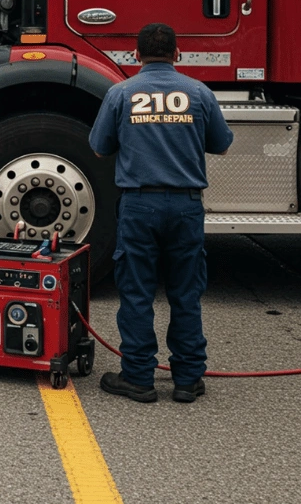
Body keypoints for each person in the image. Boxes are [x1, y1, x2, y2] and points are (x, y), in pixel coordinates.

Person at [89, 22, 233, 403]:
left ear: (136, 55)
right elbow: (222, 145)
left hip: (139, 205)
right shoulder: (199, 93)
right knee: (186, 293)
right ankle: (187, 380)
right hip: (186, 206)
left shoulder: (121, 93)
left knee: (136, 292)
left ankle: (138, 378)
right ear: (177, 53)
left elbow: (100, 148)